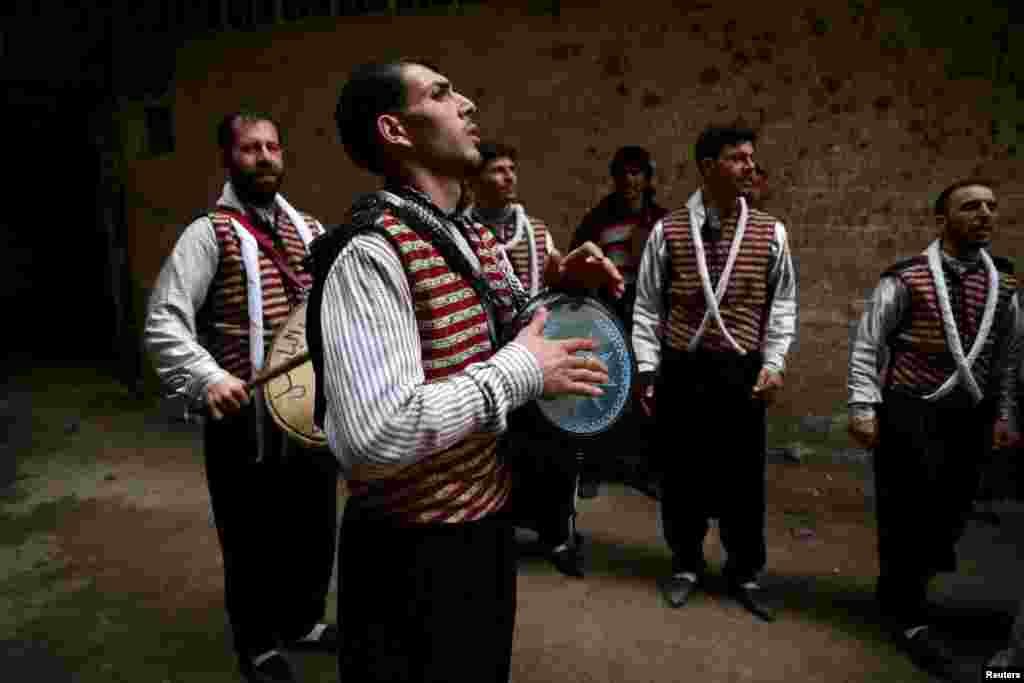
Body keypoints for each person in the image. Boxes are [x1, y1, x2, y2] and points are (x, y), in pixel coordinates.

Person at [306, 59, 624, 683]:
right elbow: (373, 435)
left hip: (483, 531)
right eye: (442, 93)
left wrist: (557, 291)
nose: (468, 102)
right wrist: (517, 374)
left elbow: (506, 333)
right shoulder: (370, 255)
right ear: (396, 131)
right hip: (408, 554)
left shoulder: (472, 237)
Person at [143, 112, 339, 683]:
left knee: (313, 525)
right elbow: (165, 320)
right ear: (229, 159)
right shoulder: (208, 233)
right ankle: (256, 644)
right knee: (251, 536)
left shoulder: (309, 227)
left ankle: (301, 622)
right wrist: (207, 378)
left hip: (307, 414)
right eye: (250, 148)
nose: (264, 156)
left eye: (273, 146)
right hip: (241, 419)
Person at [848, 178, 1022, 681]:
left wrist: (1005, 415)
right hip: (910, 411)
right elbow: (867, 344)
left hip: (970, 416)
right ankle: (908, 615)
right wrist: (864, 407)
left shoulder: (1005, 286)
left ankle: (902, 589)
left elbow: (1007, 360)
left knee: (951, 511)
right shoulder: (905, 279)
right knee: (908, 511)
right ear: (942, 219)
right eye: (971, 207)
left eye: (991, 206)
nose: (985, 214)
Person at [632, 125, 797, 622]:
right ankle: (685, 564)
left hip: (741, 372)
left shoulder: (771, 231)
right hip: (683, 371)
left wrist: (774, 362)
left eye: (751, 157)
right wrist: (646, 368)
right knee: (682, 474)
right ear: (707, 166)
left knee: (743, 478)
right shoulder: (668, 231)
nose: (750, 166)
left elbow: (783, 305)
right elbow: (645, 306)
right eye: (737, 158)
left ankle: (745, 572)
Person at [468, 141, 583, 578]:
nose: (509, 177)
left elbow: (556, 277)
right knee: (496, 451)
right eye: (497, 170)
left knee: (552, 450)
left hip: (539, 357)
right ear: (476, 180)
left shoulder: (536, 230)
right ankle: (496, 535)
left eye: (511, 169)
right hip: (488, 362)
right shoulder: (461, 228)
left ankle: (556, 536)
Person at [571, 146, 669, 499]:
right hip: (609, 313)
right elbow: (578, 261)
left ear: (647, 178)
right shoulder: (599, 219)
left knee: (650, 391)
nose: (630, 180)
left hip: (650, 316)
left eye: (637, 172)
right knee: (603, 387)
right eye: (623, 173)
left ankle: (647, 470)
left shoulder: (661, 220)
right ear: (614, 178)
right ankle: (593, 467)